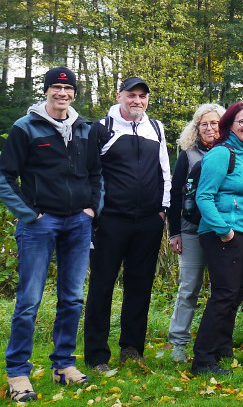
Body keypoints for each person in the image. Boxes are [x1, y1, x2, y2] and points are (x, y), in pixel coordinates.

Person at [1, 67, 100, 398]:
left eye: (68, 87)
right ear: (46, 91)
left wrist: (92, 208)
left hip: (78, 222)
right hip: (40, 224)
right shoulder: (25, 128)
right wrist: (29, 214)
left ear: (74, 93)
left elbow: (96, 174)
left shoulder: (85, 128)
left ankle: (63, 364)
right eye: (56, 87)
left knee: (72, 298)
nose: (62, 92)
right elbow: (4, 178)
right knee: (29, 300)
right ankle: (17, 373)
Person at [84, 76, 171, 372]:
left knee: (140, 286)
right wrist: (93, 213)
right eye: (131, 95)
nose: (137, 101)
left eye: (142, 96)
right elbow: (89, 174)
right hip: (110, 222)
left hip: (148, 221)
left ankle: (132, 348)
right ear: (120, 96)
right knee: (101, 286)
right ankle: (97, 356)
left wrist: (163, 211)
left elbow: (165, 172)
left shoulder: (156, 128)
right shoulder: (102, 128)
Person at [189, 102, 243, 376]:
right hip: (223, 234)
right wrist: (224, 230)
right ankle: (203, 360)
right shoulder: (222, 154)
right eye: (242, 121)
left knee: (236, 293)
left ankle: (222, 348)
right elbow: (204, 196)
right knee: (224, 294)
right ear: (229, 125)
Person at [166, 103, 226, 363]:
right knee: (189, 288)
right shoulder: (188, 156)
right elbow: (175, 195)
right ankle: (178, 342)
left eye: (215, 123)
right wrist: (174, 233)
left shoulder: (231, 153)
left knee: (222, 289)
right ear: (197, 128)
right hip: (191, 231)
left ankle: (219, 342)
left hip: (223, 231)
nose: (210, 128)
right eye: (205, 124)